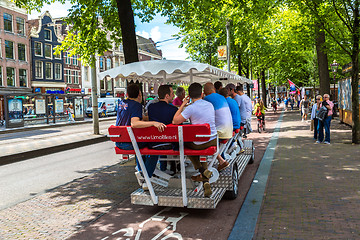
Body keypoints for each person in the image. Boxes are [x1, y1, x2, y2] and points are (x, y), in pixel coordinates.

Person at [115, 84, 166, 189]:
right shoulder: (136, 105)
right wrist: (153, 123)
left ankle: (141, 170)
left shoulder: (121, 103)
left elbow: (130, 116)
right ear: (139, 94)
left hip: (119, 141)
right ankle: (146, 177)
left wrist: (146, 118)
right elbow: (134, 123)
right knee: (154, 148)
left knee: (141, 146)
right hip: (129, 143)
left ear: (127, 94)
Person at [172, 82, 217, 197]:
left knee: (184, 143)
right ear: (202, 94)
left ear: (189, 96)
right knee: (201, 150)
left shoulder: (190, 108)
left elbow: (175, 121)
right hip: (212, 139)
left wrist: (183, 104)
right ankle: (206, 181)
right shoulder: (210, 105)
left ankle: (202, 171)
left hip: (199, 143)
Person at [148, 85, 178, 175]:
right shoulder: (173, 109)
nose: (173, 96)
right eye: (172, 93)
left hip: (153, 143)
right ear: (167, 96)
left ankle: (160, 169)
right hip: (169, 144)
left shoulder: (151, 108)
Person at [203, 82, 232, 172]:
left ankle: (206, 167)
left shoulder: (207, 98)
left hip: (221, 132)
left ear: (205, 92)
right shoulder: (222, 97)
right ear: (214, 89)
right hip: (229, 129)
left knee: (201, 139)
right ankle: (220, 160)